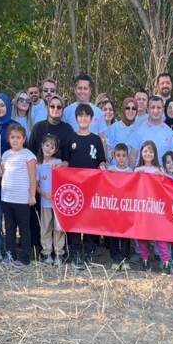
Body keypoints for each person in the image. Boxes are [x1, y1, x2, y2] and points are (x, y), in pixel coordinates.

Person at [64, 103, 107, 268]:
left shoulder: (96, 139)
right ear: (76, 119)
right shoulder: (70, 138)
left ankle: (89, 250)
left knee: (89, 218)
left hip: (91, 186)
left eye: (86, 116)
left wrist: (102, 166)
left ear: (91, 119)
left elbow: (101, 160)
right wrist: (59, 169)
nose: (83, 119)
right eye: (80, 116)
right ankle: (75, 251)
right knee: (75, 218)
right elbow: (66, 162)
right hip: (74, 187)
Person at [0, 124, 37, 267]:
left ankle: (25, 257)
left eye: (18, 137)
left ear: (24, 139)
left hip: (22, 199)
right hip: (7, 198)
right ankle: (10, 254)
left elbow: (32, 177)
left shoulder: (28, 155)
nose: (15, 140)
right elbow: (2, 174)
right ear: (9, 139)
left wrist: (32, 195)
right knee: (9, 228)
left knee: (24, 229)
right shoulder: (6, 155)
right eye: (12, 137)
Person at [134, 140, 171, 273]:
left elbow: (166, 187)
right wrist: (137, 176)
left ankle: (166, 262)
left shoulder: (159, 170)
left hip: (156, 207)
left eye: (151, 151)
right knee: (142, 235)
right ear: (141, 153)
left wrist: (162, 177)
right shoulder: (137, 170)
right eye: (145, 151)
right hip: (142, 207)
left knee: (159, 234)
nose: (148, 154)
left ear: (154, 153)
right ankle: (145, 260)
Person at [36, 134, 65, 266]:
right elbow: (36, 184)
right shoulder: (38, 164)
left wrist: (62, 165)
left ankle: (59, 253)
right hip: (45, 202)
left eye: (52, 147)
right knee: (46, 227)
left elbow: (65, 173)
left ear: (55, 149)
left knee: (58, 227)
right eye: (47, 145)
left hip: (58, 202)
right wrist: (43, 193)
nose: (48, 149)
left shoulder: (58, 162)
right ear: (42, 146)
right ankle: (47, 252)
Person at [128, 96, 173, 168]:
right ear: (147, 109)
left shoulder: (169, 131)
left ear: (163, 110)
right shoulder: (138, 130)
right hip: (143, 174)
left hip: (162, 174)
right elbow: (133, 156)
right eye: (152, 107)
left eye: (159, 108)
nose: (156, 111)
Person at [108, 143, 132, 270]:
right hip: (113, 207)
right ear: (114, 156)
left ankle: (125, 259)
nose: (121, 158)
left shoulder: (131, 171)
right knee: (113, 233)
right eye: (118, 155)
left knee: (125, 234)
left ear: (127, 156)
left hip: (126, 208)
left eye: (123, 155)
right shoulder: (110, 170)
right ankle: (115, 259)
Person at [29, 95, 74, 161]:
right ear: (48, 108)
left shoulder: (68, 129)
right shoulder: (38, 127)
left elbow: (70, 154)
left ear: (62, 110)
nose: (55, 109)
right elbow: (30, 151)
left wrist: (65, 162)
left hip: (60, 166)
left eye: (59, 107)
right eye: (52, 106)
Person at [104, 98, 138, 162]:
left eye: (133, 108)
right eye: (127, 108)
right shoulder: (114, 128)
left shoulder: (140, 129)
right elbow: (108, 152)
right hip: (115, 167)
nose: (130, 111)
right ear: (123, 109)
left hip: (134, 168)